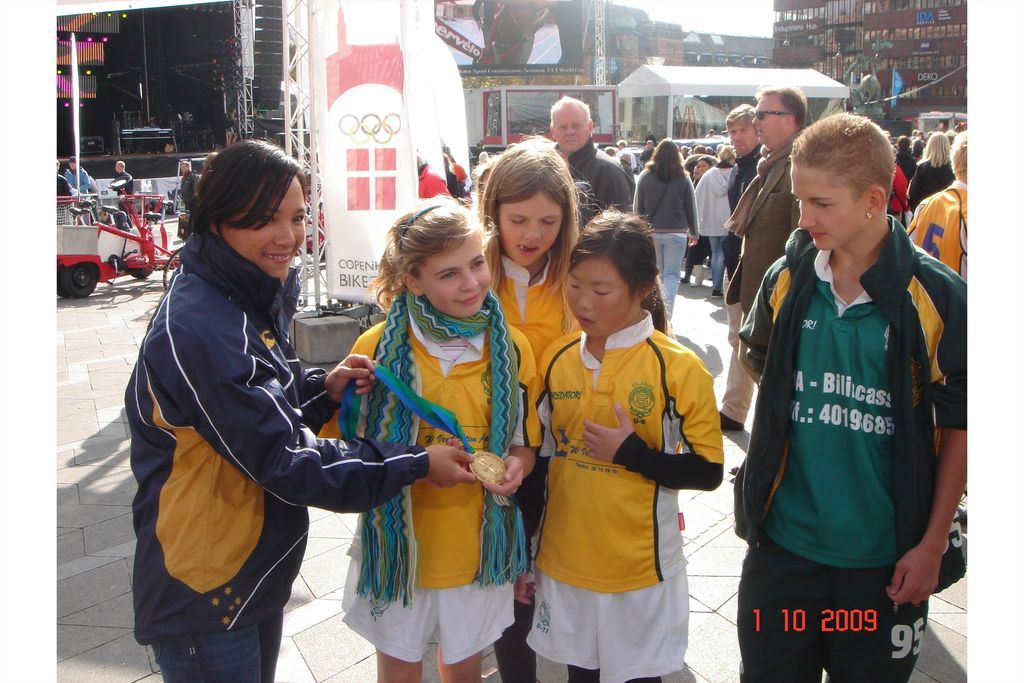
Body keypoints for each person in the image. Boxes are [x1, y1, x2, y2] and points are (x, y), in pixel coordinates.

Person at [124, 140, 475, 683]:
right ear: (218, 219)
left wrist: (323, 390)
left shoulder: (235, 295)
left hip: (241, 572)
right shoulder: (203, 327)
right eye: (265, 219)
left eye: (296, 216)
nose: (288, 236)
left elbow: (259, 406)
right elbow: (285, 459)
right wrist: (415, 463)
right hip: (206, 585)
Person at [734, 113, 967, 683]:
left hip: (883, 564)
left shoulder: (939, 296)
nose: (804, 218)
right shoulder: (787, 278)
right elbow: (757, 354)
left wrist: (932, 544)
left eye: (821, 203)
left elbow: (963, 425)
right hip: (783, 553)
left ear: (872, 200)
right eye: (799, 201)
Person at [336, 198, 542, 683]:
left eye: (476, 263)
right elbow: (351, 449)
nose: (470, 282)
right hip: (398, 547)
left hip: (476, 544)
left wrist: (518, 466)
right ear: (413, 281)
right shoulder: (375, 347)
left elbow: (523, 443)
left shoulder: (512, 347)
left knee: (464, 665)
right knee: (398, 666)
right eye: (449, 274)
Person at [528, 210, 724, 683]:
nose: (582, 301)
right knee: (580, 676)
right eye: (575, 285)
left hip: (640, 569)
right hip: (564, 561)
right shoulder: (556, 357)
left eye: (601, 291)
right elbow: (540, 456)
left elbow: (709, 471)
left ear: (642, 289)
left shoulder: (678, 367)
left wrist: (632, 454)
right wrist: (523, 543)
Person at [477, 138, 580, 683]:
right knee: (507, 584)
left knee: (564, 581)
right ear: (492, 212)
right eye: (518, 219)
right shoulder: (471, 275)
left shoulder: (580, 274)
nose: (532, 235)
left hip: (567, 455)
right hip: (493, 455)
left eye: (548, 221)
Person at [720, 87, 806, 433]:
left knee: (776, 380)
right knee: (753, 362)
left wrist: (791, 297)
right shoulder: (770, 163)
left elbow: (803, 241)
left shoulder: (799, 163)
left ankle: (774, 448)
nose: (755, 121)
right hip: (757, 288)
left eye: (762, 114)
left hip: (780, 296)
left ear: (790, 119)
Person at [633, 139, 697, 323]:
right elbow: (691, 207)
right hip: (677, 232)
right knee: (672, 275)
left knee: (656, 274)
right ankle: (667, 313)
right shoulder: (683, 177)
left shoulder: (645, 175)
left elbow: (637, 206)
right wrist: (694, 232)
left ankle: (657, 312)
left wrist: (636, 229)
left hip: (651, 231)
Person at [550, 96, 632, 226]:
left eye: (576, 125)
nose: (570, 132)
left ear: (590, 126)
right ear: (553, 131)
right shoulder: (542, 168)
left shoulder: (609, 171)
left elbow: (620, 230)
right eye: (563, 127)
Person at [908, 130, 967, 280]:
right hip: (956, 292)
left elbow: (907, 250)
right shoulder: (966, 212)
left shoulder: (925, 205)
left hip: (927, 290)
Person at [722, 105, 760, 284]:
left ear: (757, 129)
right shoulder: (736, 169)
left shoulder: (765, 167)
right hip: (733, 260)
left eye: (743, 130)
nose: (737, 137)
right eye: (733, 131)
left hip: (753, 263)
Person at [694, 155, 733, 297]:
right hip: (728, 219)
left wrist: (698, 219)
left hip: (710, 219)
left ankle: (716, 286)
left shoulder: (708, 176)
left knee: (715, 252)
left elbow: (697, 196)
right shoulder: (733, 174)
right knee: (721, 253)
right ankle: (717, 286)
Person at [682, 154, 716, 288]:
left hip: (710, 221)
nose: (699, 168)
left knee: (711, 250)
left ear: (710, 167)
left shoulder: (712, 181)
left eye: (703, 166)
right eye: (698, 166)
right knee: (694, 250)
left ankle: (716, 278)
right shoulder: (693, 181)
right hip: (696, 223)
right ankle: (697, 276)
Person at [907, 133, 955, 213]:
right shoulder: (953, 168)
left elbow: (913, 194)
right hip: (949, 212)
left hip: (927, 211)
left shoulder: (922, 167)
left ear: (929, 146)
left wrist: (917, 210)